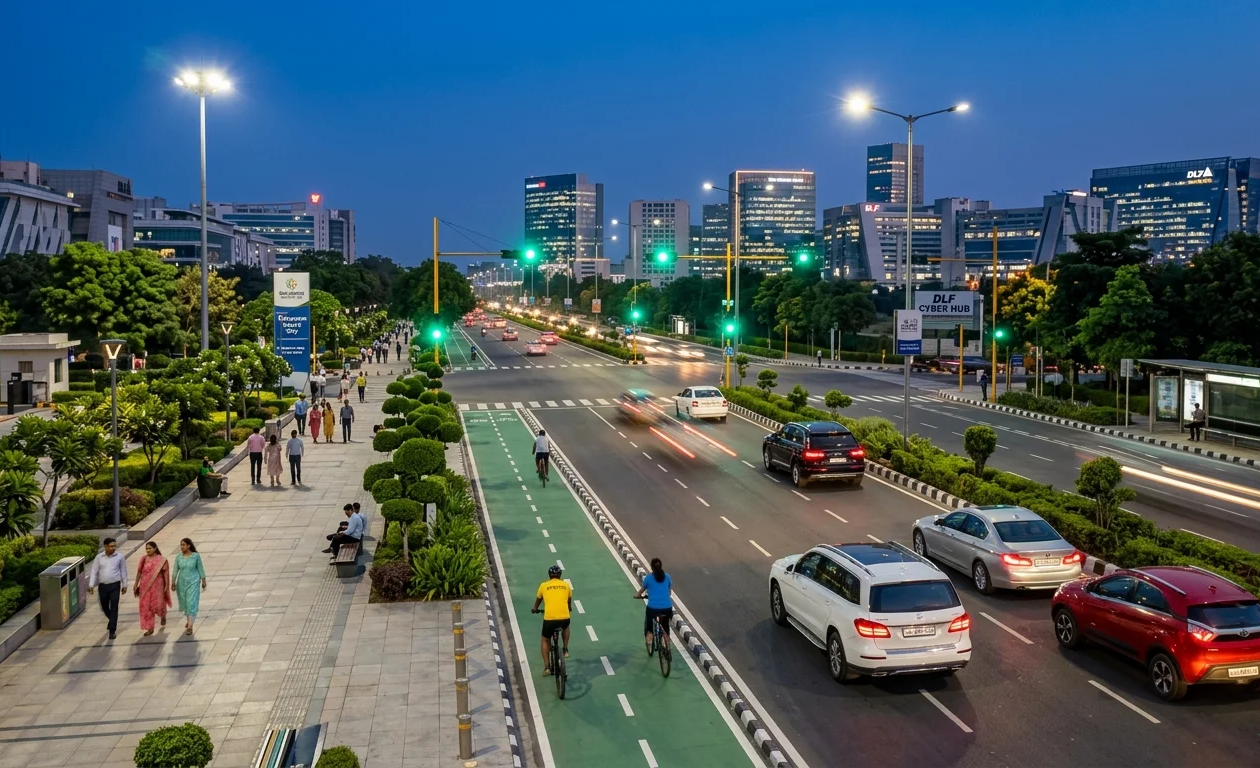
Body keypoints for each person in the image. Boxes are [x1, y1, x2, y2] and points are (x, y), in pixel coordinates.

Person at [530, 564, 571, 675]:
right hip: (564, 617)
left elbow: (538, 600)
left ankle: (547, 667)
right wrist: (569, 608)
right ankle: (565, 648)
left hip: (549, 619)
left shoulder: (544, 585)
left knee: (545, 640)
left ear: (549, 575)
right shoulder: (566, 585)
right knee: (566, 627)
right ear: (560, 575)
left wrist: (535, 609)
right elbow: (568, 600)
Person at [88, 537, 128, 639]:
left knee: (114, 607)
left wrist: (125, 585)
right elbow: (94, 571)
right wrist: (91, 585)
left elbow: (123, 571)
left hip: (115, 585)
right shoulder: (99, 558)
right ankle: (112, 620)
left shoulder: (120, 557)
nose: (113, 548)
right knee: (104, 607)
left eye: (114, 546)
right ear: (105, 546)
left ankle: (112, 630)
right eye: (111, 546)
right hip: (103, 586)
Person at [634, 558, 673, 653]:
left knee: (649, 625)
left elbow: (640, 591)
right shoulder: (667, 577)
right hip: (667, 608)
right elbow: (669, 591)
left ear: (651, 567)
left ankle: (650, 638)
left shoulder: (648, 578)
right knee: (665, 625)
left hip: (653, 608)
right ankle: (666, 644)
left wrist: (637, 596)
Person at [134, 541, 171, 637]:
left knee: (158, 605)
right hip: (144, 586)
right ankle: (150, 628)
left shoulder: (161, 560)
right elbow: (139, 572)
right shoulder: (144, 559)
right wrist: (136, 584)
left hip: (157, 586)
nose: (148, 550)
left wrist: (166, 585)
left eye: (150, 548)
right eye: (147, 548)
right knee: (146, 607)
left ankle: (163, 615)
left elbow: (166, 573)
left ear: (155, 548)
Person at [172, 538, 206, 636]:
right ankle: (189, 619)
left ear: (189, 546)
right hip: (182, 583)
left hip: (194, 582)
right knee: (186, 602)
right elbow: (175, 571)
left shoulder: (196, 556)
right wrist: (173, 582)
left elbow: (200, 568)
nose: (182, 547)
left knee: (191, 602)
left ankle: (190, 626)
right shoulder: (178, 557)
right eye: (181, 545)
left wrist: (203, 580)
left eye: (183, 545)